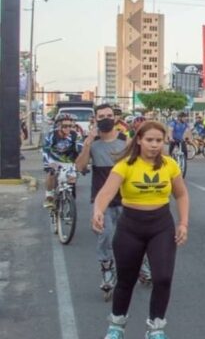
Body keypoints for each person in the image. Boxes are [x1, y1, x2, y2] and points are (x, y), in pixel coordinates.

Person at [92, 120, 189, 339]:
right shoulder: (125, 165)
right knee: (126, 280)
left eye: (159, 140)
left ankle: (155, 328)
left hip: (161, 226)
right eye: (149, 140)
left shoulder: (170, 165)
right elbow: (106, 192)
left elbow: (181, 194)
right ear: (139, 140)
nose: (154, 145)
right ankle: (116, 325)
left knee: (163, 278)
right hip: (130, 227)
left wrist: (183, 223)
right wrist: (98, 210)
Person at [75, 104, 128, 297]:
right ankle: (107, 268)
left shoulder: (125, 141)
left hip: (127, 198)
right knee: (105, 234)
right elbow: (80, 167)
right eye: (101, 116)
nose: (106, 118)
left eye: (109, 115)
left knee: (132, 236)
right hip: (102, 200)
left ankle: (140, 265)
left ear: (115, 118)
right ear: (95, 119)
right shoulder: (93, 143)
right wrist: (87, 144)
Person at [42, 113, 83, 208]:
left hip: (69, 161)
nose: (68, 128)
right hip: (54, 159)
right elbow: (45, 150)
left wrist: (83, 164)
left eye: (70, 126)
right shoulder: (51, 135)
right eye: (65, 126)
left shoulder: (75, 135)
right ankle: (49, 196)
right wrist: (47, 164)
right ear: (58, 126)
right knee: (51, 173)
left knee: (72, 180)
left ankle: (70, 202)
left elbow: (81, 150)